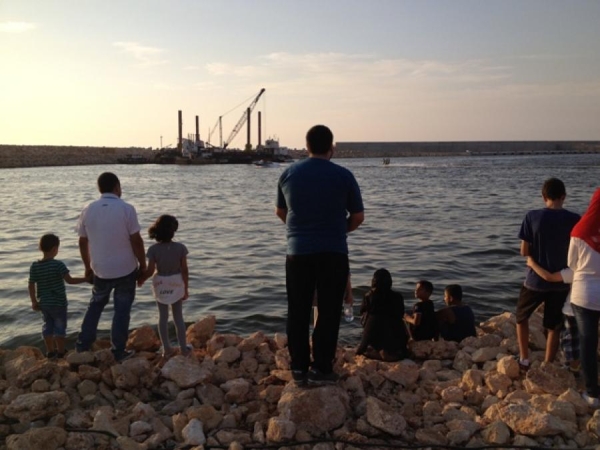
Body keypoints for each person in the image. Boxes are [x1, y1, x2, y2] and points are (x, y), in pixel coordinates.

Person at [275, 124, 364, 386]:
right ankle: (322, 369)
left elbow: (281, 212)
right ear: (331, 147)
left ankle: (299, 368)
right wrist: (339, 230)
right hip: (333, 252)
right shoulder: (344, 175)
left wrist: (298, 231)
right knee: (329, 311)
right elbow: (358, 217)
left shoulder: (289, 174)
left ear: (307, 147)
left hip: (297, 252)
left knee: (298, 310)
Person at [75, 172, 146, 361]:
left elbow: (82, 241)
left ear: (99, 188)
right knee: (122, 311)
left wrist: (87, 267)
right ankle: (118, 351)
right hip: (126, 269)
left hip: (100, 269)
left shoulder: (88, 209)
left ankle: (82, 346)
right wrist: (143, 265)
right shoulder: (127, 209)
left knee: (95, 306)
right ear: (117, 187)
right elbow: (136, 241)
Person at [516, 178, 580, 369]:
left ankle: (524, 359)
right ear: (564, 197)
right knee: (553, 326)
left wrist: (533, 260)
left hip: (534, 281)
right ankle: (547, 364)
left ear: (543, 197)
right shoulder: (575, 219)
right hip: (561, 281)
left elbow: (524, 251)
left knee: (521, 317)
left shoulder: (532, 216)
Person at [28, 234, 89, 358]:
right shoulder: (58, 265)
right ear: (55, 249)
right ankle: (61, 352)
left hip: (44, 303)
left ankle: (50, 351)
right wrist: (86, 279)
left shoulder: (35, 266)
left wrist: (34, 301)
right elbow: (70, 280)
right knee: (60, 327)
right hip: (59, 303)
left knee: (47, 326)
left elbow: (31, 285)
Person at [139, 215, 191, 358]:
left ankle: (167, 349)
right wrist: (185, 288)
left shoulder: (153, 249)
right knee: (178, 317)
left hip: (161, 283)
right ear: (173, 231)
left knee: (163, 317)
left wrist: (141, 279)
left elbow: (150, 271)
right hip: (176, 282)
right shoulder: (181, 248)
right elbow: (185, 270)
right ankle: (183, 349)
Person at [568, 188, 600, 407]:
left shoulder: (580, 231)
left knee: (587, 344)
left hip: (584, 295)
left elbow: (571, 263)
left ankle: (592, 394)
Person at [526, 257, 579, 374]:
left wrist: (532, 264)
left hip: (571, 311)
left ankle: (574, 369)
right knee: (582, 340)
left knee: (570, 342)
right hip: (589, 310)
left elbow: (549, 277)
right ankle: (578, 366)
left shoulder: (575, 271)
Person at [357, 269, 408, 361]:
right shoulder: (398, 296)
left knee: (370, 316)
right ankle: (389, 352)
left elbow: (362, 311)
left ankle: (378, 350)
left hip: (374, 332)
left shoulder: (369, 296)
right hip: (396, 334)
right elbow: (401, 313)